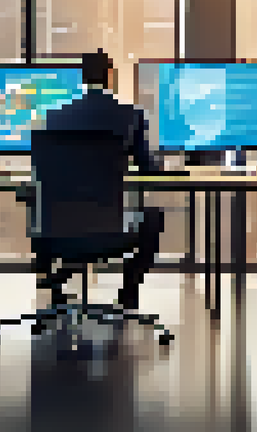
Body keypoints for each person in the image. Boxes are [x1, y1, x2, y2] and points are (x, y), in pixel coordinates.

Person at [28, 50, 164, 310]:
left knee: (43, 204)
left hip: (55, 232)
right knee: (153, 217)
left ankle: (56, 289)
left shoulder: (54, 116)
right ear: (109, 76)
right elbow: (148, 168)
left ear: (82, 77)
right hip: (111, 230)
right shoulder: (130, 116)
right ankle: (128, 292)